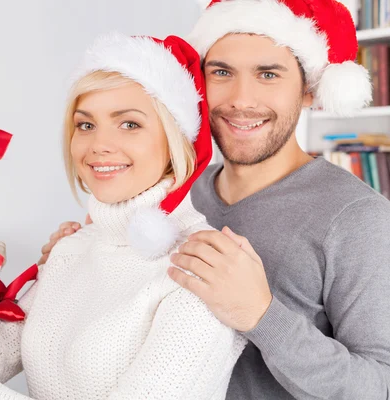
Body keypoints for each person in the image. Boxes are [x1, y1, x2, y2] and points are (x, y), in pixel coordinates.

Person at [0, 33, 247, 399]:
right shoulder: (73, 249)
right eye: (86, 124)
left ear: (175, 139)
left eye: (130, 123)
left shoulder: (202, 271)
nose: (99, 145)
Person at [44, 0, 390, 399]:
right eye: (221, 72)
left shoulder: (358, 218)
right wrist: (77, 264)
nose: (241, 99)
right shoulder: (169, 193)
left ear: (309, 89)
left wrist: (260, 315)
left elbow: (379, 386)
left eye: (268, 74)